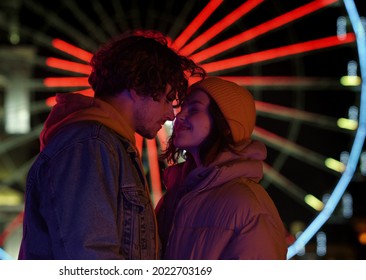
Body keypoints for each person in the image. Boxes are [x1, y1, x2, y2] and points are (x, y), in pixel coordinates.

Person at [18, 30, 205, 259]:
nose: (170, 114)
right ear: (138, 87)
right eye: (167, 99)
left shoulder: (106, 146)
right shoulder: (89, 146)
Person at [156, 76, 288, 259]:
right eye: (183, 107)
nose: (179, 116)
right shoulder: (175, 197)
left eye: (194, 109)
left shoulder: (248, 207)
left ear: (226, 125)